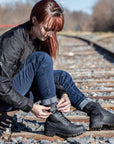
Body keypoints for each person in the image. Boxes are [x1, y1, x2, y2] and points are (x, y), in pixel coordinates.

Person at [0, 0, 114, 138]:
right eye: (47, 29)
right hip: (5, 98)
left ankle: (95, 111)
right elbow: (2, 86)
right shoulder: (13, 41)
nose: (50, 34)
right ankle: (55, 117)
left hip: (17, 91)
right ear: (34, 19)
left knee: (62, 77)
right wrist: (31, 106)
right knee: (41, 58)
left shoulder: (39, 38)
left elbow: (45, 74)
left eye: (53, 30)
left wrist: (63, 93)